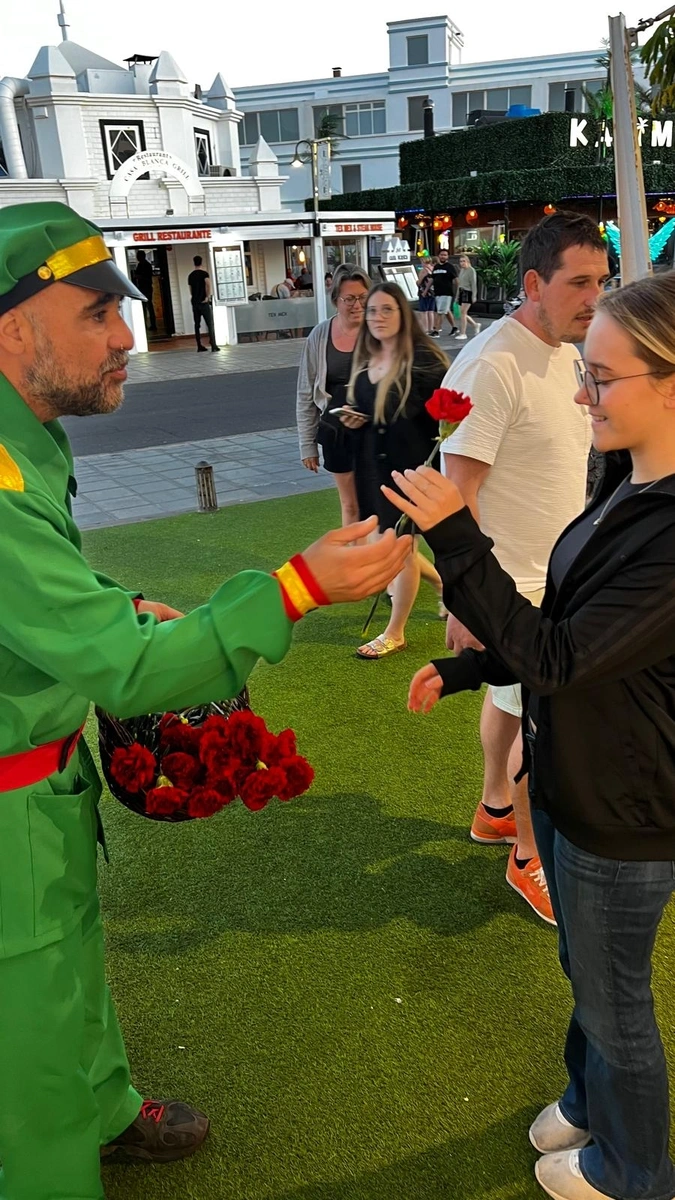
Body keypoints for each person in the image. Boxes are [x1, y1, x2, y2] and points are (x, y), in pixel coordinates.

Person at [0, 200, 413, 1200]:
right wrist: (295, 589)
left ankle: (105, 1109)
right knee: (35, 1041)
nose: (126, 337)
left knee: (72, 977)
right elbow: (128, 672)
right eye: (97, 314)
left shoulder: (26, 432)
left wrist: (119, 603)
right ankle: (64, 1148)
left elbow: (41, 592)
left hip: (44, 792)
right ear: (15, 329)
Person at [387, 269, 675, 1200]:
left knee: (613, 998)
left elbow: (554, 655)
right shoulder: (624, 477)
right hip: (571, 777)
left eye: (602, 377)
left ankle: (633, 1173)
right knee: (584, 973)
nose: (582, 394)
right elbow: (575, 629)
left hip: (623, 808)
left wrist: (457, 537)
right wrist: (472, 666)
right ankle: (592, 1105)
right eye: (583, 371)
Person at [440, 211, 609, 922]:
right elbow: (454, 491)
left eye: (601, 281)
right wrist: (463, 600)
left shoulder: (567, 352)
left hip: (556, 572)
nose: (594, 298)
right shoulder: (492, 362)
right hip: (512, 586)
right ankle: (527, 859)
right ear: (533, 283)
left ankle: (494, 810)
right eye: (578, 283)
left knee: (513, 707)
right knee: (543, 722)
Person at [343, 282, 448, 658]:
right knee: (396, 543)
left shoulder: (425, 362)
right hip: (374, 468)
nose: (378, 318)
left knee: (401, 547)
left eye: (387, 309)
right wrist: (353, 420)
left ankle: (395, 632)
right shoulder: (367, 360)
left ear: (404, 314)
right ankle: (442, 587)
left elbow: (448, 416)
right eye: (372, 311)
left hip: (415, 470)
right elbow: (373, 416)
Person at [296, 264, 371, 526]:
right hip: (337, 433)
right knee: (350, 505)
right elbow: (306, 393)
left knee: (379, 504)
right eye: (349, 299)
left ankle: (386, 562)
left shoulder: (381, 331)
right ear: (335, 300)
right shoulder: (319, 335)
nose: (357, 305)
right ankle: (355, 564)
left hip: (376, 432)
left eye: (362, 297)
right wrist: (308, 445)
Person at [187, 254, 220, 353]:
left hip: (195, 302)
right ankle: (213, 344)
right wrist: (207, 296)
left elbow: (190, 290)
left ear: (194, 263)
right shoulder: (204, 274)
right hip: (203, 302)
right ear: (201, 262)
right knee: (209, 323)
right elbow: (208, 284)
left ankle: (199, 345)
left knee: (197, 324)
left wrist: (194, 297)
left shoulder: (191, 276)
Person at [431, 247, 459, 337]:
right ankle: (454, 327)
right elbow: (432, 279)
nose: (443, 256)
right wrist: (426, 290)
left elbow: (456, 280)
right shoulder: (436, 267)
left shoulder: (450, 267)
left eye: (445, 255)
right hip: (437, 292)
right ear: (438, 256)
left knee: (440, 312)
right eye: (441, 255)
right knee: (446, 311)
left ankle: (436, 331)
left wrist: (459, 291)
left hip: (446, 293)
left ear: (448, 257)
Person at [455, 254, 481, 341]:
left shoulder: (471, 270)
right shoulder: (462, 271)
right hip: (462, 292)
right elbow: (460, 284)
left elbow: (474, 284)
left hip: (468, 292)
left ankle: (463, 333)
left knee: (463, 313)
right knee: (462, 313)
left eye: (463, 261)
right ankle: (475, 325)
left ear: (468, 262)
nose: (462, 263)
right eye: (460, 261)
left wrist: (474, 295)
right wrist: (457, 296)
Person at [131, 249, 157, 332]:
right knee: (144, 307)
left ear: (142, 256)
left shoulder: (147, 265)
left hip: (147, 287)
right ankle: (145, 324)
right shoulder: (140, 265)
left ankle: (153, 325)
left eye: (138, 256)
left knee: (149, 306)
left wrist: (139, 276)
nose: (137, 258)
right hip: (142, 288)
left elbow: (148, 277)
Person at [417, 260, 436, 336]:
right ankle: (431, 328)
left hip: (424, 292)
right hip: (432, 292)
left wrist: (417, 281)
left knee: (423, 312)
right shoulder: (432, 269)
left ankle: (425, 329)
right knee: (431, 311)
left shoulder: (423, 271)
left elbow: (419, 282)